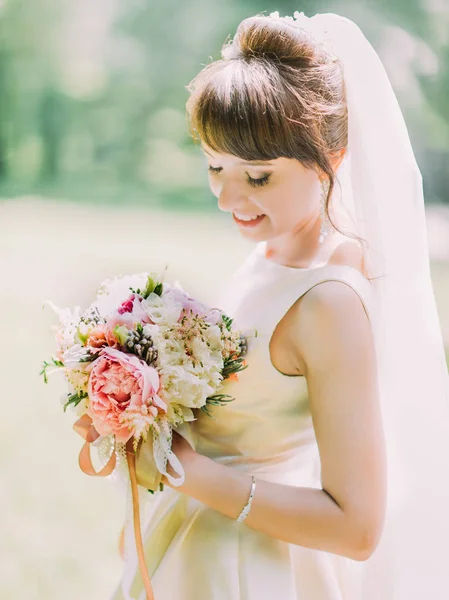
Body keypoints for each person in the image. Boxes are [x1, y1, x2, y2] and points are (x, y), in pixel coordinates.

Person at [110, 11, 449, 600]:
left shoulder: (331, 302)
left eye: (258, 177)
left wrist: (185, 470)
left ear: (332, 160)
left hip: (251, 569)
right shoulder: (270, 252)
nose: (228, 196)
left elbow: (357, 526)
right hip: (192, 544)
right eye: (216, 166)